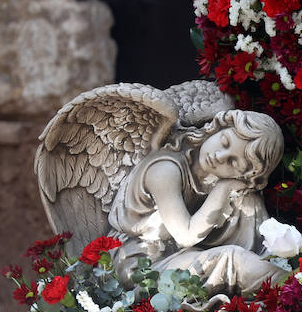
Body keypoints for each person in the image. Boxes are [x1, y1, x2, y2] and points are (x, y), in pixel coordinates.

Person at [107, 108, 287, 297]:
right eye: (224, 141)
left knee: (248, 201)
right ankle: (293, 287)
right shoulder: (165, 170)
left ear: (244, 175)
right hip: (140, 265)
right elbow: (185, 236)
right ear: (217, 128)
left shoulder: (215, 180)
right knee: (231, 260)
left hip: (179, 255)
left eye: (233, 162)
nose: (219, 156)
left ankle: (291, 283)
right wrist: (223, 188)